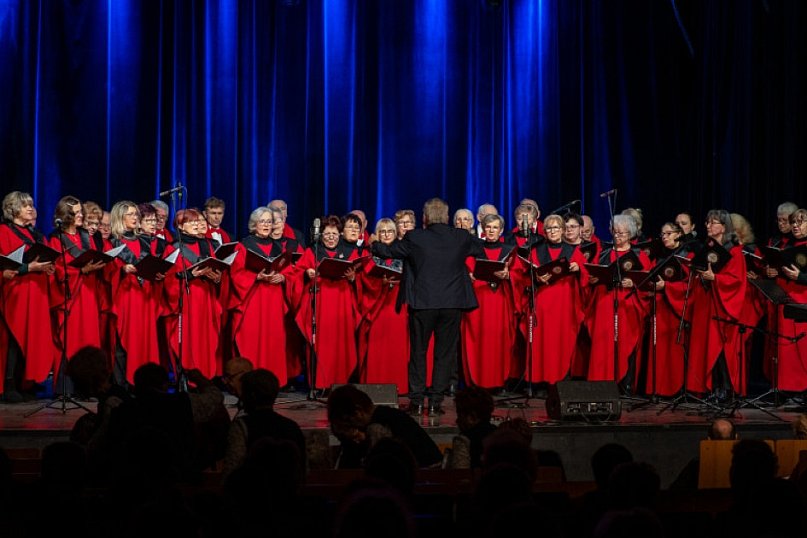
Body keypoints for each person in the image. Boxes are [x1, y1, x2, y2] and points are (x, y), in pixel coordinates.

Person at [372, 198, 484, 415]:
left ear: (424, 218)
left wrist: (374, 243)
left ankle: (416, 401)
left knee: (418, 352)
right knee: (445, 353)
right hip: (452, 304)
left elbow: (388, 252)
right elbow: (480, 248)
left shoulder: (415, 237)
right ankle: (435, 402)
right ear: (447, 217)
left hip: (423, 304)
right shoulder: (460, 237)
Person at [514, 214, 588, 385]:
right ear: (544, 231)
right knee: (542, 342)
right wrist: (535, 277)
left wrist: (578, 268)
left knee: (561, 341)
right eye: (549, 228)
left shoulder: (574, 251)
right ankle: (539, 380)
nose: (553, 231)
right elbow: (524, 276)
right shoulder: (535, 251)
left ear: (562, 230)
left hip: (564, 304)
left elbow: (586, 275)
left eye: (556, 228)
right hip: (542, 302)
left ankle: (559, 380)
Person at [229, 207, 300, 383]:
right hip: (252, 298)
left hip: (274, 298)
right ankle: (249, 380)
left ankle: (273, 380)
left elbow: (289, 270)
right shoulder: (243, 246)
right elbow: (236, 273)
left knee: (274, 339)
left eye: (269, 221)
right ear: (254, 224)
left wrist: (283, 277)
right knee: (252, 338)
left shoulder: (279, 247)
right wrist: (256, 276)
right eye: (262, 221)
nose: (266, 225)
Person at [585, 215, 651, 393]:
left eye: (622, 233)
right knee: (602, 345)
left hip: (627, 305)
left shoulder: (639, 255)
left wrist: (634, 284)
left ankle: (624, 385)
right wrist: (593, 279)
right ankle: (600, 385)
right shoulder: (603, 253)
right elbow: (592, 274)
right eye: (615, 232)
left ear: (630, 234)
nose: (617, 236)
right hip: (604, 303)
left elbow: (647, 281)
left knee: (624, 344)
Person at [294, 215, 361, 391]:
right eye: (327, 234)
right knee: (322, 344)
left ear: (340, 234)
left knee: (341, 344)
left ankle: (340, 382)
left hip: (342, 302)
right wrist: (307, 273)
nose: (331, 237)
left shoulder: (350, 252)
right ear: (320, 235)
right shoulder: (313, 251)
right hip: (321, 302)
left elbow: (361, 277)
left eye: (334, 234)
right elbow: (297, 272)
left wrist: (353, 278)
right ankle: (320, 383)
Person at [0, 192, 56, 401]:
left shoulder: (36, 235)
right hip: (16, 291)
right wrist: (28, 268)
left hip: (37, 291)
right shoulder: (3, 231)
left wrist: (48, 267)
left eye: (31, 205)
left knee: (33, 337)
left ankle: (27, 382)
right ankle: (9, 384)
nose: (31, 209)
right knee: (15, 337)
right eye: (25, 205)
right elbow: (5, 264)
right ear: (13, 209)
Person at [687, 209, 747, 398]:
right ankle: (712, 388)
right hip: (707, 304)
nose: (708, 225)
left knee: (721, 349)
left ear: (724, 227)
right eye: (707, 222)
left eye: (713, 222)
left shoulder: (735, 252)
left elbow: (737, 280)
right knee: (707, 346)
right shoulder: (708, 248)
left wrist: (716, 278)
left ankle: (726, 389)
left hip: (724, 307)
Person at [48, 196, 107, 383]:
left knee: (89, 338)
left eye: (81, 211)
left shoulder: (86, 237)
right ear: (66, 215)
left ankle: (89, 385)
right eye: (77, 213)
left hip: (89, 294)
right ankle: (66, 386)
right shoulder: (57, 239)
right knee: (70, 339)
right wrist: (81, 271)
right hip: (70, 297)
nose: (81, 215)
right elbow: (58, 269)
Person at [107, 201, 166, 386]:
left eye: (136, 214)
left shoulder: (145, 240)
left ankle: (146, 383)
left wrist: (158, 274)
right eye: (130, 214)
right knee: (125, 341)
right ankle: (122, 384)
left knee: (145, 340)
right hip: (126, 296)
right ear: (120, 217)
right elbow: (107, 272)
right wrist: (122, 269)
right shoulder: (112, 242)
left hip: (145, 296)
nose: (135, 217)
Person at [163, 208, 224, 379]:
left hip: (207, 298)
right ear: (180, 227)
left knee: (207, 338)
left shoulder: (207, 245)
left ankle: (207, 376)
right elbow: (169, 279)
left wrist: (217, 277)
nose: (197, 225)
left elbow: (215, 267)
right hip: (188, 299)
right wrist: (190, 275)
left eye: (198, 221)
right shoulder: (173, 248)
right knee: (190, 339)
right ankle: (189, 377)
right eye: (191, 222)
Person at [326, 384, 442, 468]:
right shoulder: (387, 415)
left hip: (424, 478)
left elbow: (380, 472)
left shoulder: (378, 427)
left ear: (358, 413)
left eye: (349, 424)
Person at [462, 213, 516, 389]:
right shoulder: (473, 250)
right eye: (488, 227)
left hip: (499, 301)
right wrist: (469, 276)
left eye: (495, 227)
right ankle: (477, 382)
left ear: (501, 230)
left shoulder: (510, 250)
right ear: (483, 230)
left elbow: (519, 274)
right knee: (479, 339)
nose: (491, 231)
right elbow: (466, 270)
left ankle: (498, 381)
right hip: (479, 301)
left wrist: (509, 275)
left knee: (498, 340)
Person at [221, 369, 305, 478]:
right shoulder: (292, 427)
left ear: (250, 395)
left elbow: (231, 470)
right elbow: (303, 470)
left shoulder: (242, 427)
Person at [356, 218, 409, 391]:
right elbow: (365, 279)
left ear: (396, 233)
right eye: (382, 232)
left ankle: (398, 385)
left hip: (397, 305)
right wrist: (381, 283)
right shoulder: (370, 255)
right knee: (377, 346)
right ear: (377, 234)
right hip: (377, 305)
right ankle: (375, 385)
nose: (386, 235)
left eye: (390, 231)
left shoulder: (403, 253)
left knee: (397, 346)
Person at [447, 386, 497, 469]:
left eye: (459, 415)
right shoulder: (500, 435)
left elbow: (460, 472)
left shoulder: (464, 441)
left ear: (471, 417)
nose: (457, 421)